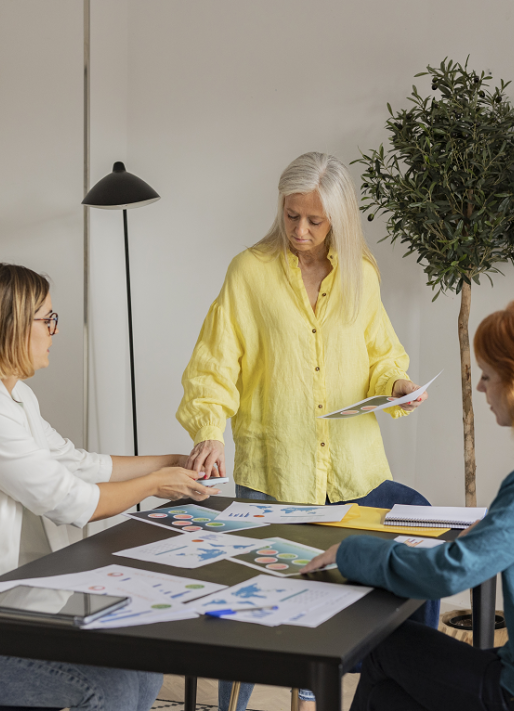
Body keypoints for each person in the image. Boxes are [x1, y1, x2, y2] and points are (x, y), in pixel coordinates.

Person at [0, 263, 221, 711]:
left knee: (142, 667)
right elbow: (70, 501)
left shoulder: (14, 397)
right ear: (11, 325)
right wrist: (155, 484)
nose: (54, 331)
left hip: (2, 605)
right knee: (110, 691)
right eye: (47, 319)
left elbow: (78, 464)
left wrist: (170, 462)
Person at [301, 297, 514, 711]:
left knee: (382, 647)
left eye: (487, 375)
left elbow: (448, 573)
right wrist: (493, 530)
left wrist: (353, 552)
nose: (480, 387)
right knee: (387, 695)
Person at [176, 152, 431, 710]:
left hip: (354, 475)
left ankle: (389, 693)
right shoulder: (249, 272)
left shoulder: (361, 275)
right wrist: (209, 430)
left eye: (315, 220)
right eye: (292, 216)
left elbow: (382, 355)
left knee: (414, 552)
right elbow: (215, 364)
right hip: (276, 476)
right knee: (248, 618)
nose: (300, 231)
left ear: (339, 218)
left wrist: (397, 384)